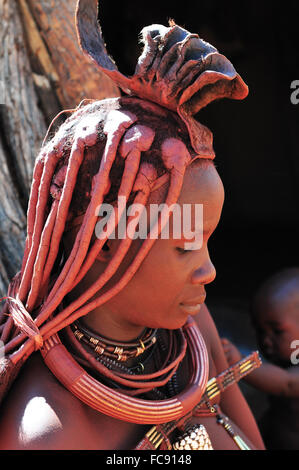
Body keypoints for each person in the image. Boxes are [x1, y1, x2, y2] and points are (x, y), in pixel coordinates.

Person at [0, 0, 265, 450]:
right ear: (104, 239)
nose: (210, 271)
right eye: (185, 244)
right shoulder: (51, 436)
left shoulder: (190, 331)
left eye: (207, 242)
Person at [222, 268, 299, 449]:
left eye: (277, 331)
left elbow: (286, 384)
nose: (265, 340)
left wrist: (240, 363)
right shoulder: (284, 363)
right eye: (259, 330)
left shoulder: (288, 376)